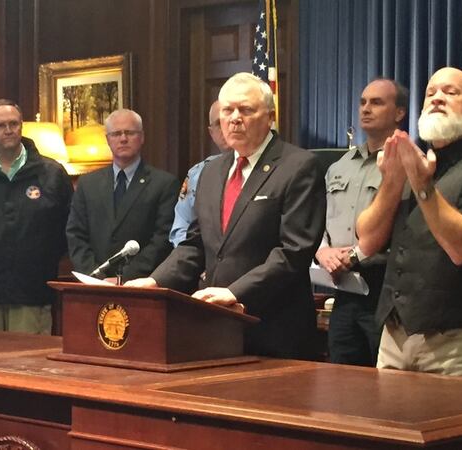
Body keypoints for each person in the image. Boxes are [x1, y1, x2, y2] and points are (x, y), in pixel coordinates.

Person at [127, 72, 326, 359]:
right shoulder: (210, 171)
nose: (234, 118)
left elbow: (293, 252)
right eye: (227, 110)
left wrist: (236, 292)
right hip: (214, 327)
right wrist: (156, 281)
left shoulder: (298, 167)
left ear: (270, 117)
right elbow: (196, 245)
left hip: (274, 330)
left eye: (246, 110)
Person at [356, 67, 462, 378]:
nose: (437, 99)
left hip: (455, 344)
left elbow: (461, 249)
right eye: (431, 93)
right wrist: (392, 182)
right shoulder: (407, 164)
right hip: (393, 336)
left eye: (450, 92)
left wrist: (421, 184)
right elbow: (366, 240)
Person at [315, 78, 408, 366]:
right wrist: (322, 252)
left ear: (399, 113)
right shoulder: (338, 167)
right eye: (363, 102)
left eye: (377, 102)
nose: (366, 109)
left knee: (385, 386)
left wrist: (355, 254)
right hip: (343, 289)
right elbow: (319, 221)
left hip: (386, 288)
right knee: (342, 383)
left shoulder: (409, 162)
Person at [0, 99, 73, 334]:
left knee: (28, 365)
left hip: (31, 292)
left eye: (14, 123)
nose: (9, 129)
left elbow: (69, 228)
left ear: (22, 126)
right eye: (0, 125)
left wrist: (41, 257)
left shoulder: (52, 174)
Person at [66, 109, 180, 282]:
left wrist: (123, 277)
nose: (123, 138)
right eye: (116, 134)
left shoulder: (164, 184)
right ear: (107, 140)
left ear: (142, 137)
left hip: (139, 285)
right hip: (92, 286)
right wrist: (95, 275)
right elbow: (76, 234)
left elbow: (162, 239)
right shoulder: (87, 184)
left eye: (130, 133)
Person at [169, 100, 231, 247]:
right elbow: (181, 226)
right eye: (218, 123)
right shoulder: (198, 173)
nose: (226, 127)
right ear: (211, 133)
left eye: (228, 121)